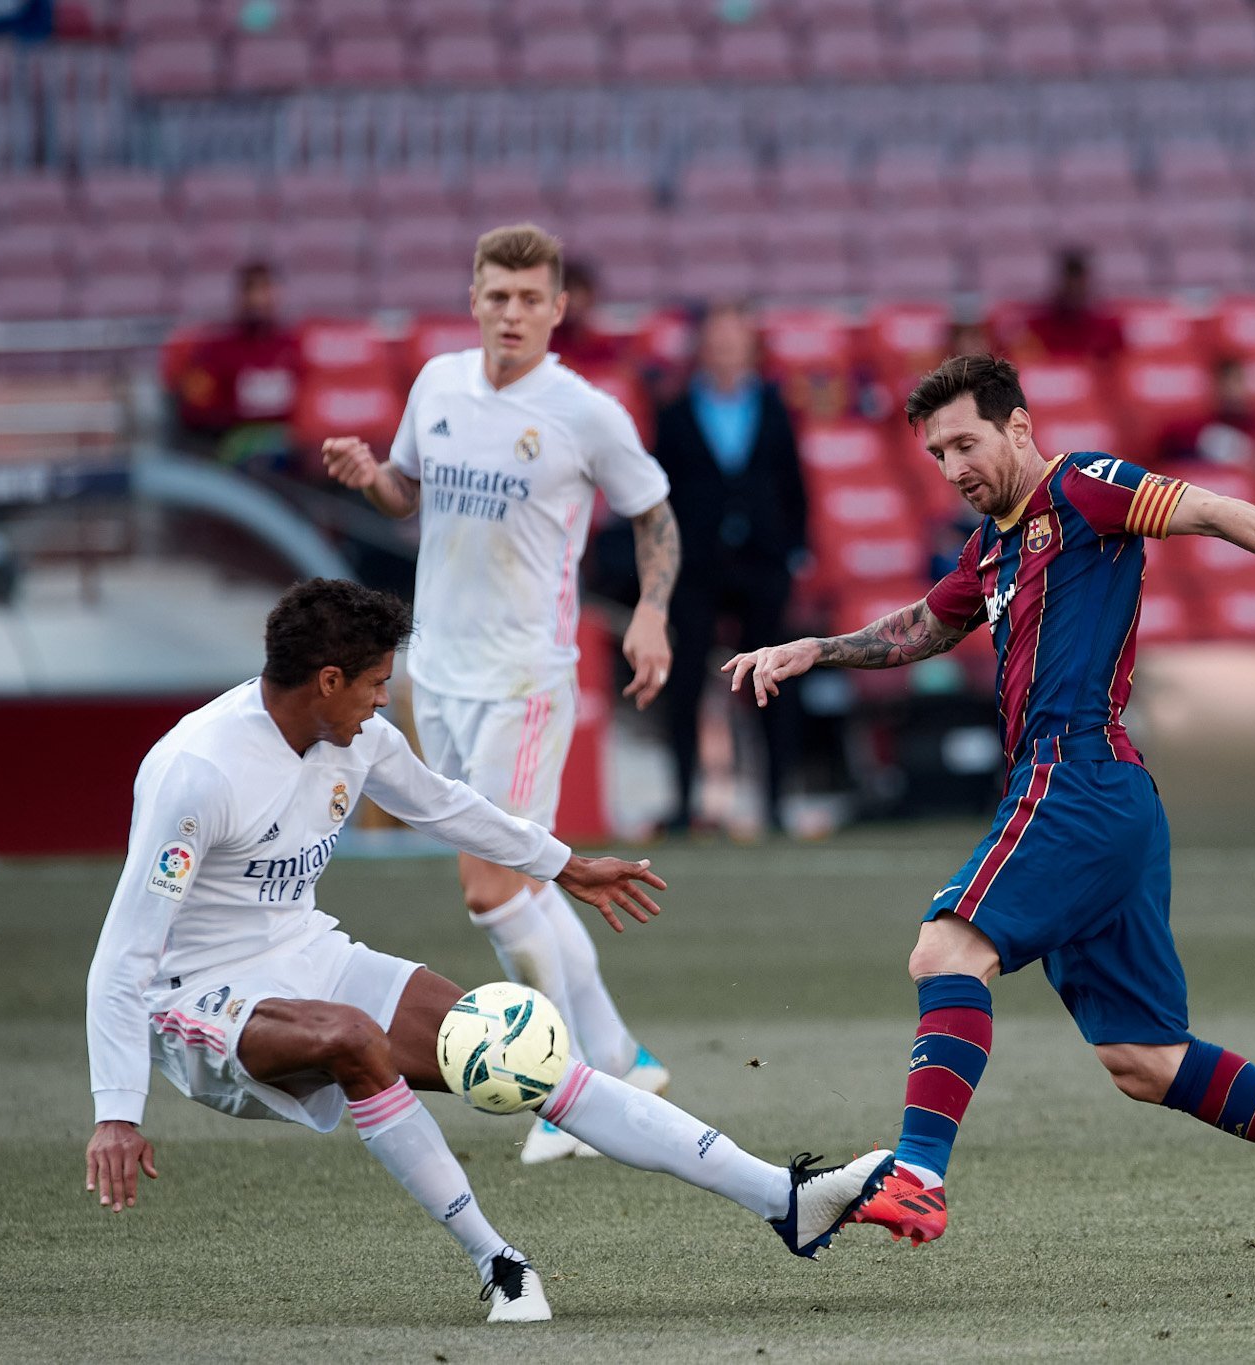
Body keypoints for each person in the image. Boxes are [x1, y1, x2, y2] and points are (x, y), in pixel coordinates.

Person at [722, 355, 1255, 1265]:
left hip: (1077, 777)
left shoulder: (1084, 487)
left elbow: (1213, 508)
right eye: (937, 452)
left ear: (1019, 428)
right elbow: (921, 629)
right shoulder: (993, 548)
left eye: (967, 442)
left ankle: (920, 1174)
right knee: (1144, 1059)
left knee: (947, 949)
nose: (952, 466)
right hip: (1106, 797)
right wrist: (815, 648)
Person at [82, 579, 893, 1320]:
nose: (381, 701)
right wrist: (116, 1112)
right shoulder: (196, 771)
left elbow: (443, 805)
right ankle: (500, 1262)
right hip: (194, 998)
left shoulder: (355, 737)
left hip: (305, 953)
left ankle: (786, 1198)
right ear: (328, 679)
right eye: (373, 684)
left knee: (518, 1053)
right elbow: (124, 954)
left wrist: (563, 864)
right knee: (353, 1038)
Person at [321, 224, 682, 1165]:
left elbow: (654, 514)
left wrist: (651, 611)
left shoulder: (586, 412)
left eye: (530, 299)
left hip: (524, 680)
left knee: (490, 887)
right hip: (435, 671)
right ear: (474, 298)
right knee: (527, 879)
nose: (512, 313)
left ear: (558, 309)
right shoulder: (437, 384)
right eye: (497, 296)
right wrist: (373, 480)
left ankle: (563, 1092)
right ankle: (615, 1056)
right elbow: (406, 490)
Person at [653, 301, 810, 834]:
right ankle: (682, 801)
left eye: (733, 341)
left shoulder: (773, 408)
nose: (724, 352)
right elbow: (660, 494)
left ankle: (775, 803)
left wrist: (793, 551)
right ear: (703, 350)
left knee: (773, 682)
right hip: (696, 567)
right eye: (716, 342)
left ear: (748, 348)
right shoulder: (674, 413)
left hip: (761, 565)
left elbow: (793, 485)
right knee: (683, 685)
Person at [172, 261, 304, 466]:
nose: (258, 299)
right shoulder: (214, 351)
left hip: (292, 448)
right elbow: (194, 409)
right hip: (235, 448)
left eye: (265, 289)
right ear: (240, 296)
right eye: (252, 289)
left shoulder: (294, 347)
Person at [1155, 357, 1255, 472]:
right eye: (1228, 383)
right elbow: (1160, 465)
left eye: (1239, 381)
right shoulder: (1187, 430)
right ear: (1215, 386)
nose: (1234, 390)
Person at [1004, 248, 1126, 362]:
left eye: (1079, 280)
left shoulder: (1109, 329)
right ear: (1060, 281)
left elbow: (1120, 368)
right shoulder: (1037, 328)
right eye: (1070, 279)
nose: (1074, 287)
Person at [545, 258, 630, 371]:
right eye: (566, 290)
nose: (572, 301)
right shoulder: (543, 344)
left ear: (591, 297)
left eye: (579, 293)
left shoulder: (605, 345)